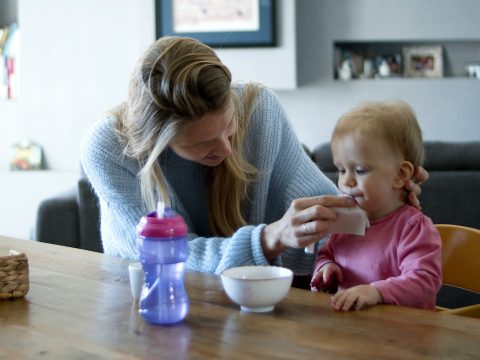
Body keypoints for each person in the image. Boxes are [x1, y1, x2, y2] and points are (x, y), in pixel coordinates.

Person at [81, 36, 427, 279]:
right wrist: (267, 239)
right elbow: (167, 258)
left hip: (249, 311)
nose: (226, 149)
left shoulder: (256, 109)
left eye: (229, 127)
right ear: (156, 139)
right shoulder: (109, 147)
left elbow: (329, 226)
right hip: (150, 310)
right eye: (201, 144)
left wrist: (384, 207)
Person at [310, 100, 442, 310]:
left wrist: (375, 291)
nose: (347, 182)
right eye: (342, 170)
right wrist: (326, 267)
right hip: (353, 333)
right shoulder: (345, 221)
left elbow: (425, 282)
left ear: (400, 174)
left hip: (404, 335)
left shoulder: (413, 227)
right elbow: (327, 253)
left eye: (360, 170)